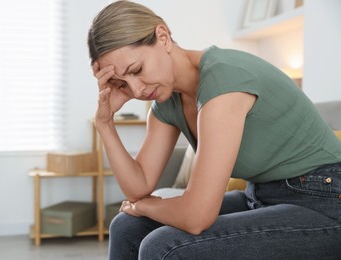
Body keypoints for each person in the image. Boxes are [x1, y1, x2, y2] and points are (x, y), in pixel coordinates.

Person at [87, 1, 341, 259]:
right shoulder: (167, 101)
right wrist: (105, 123)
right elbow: (138, 186)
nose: (137, 89)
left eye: (137, 70)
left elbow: (196, 216)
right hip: (262, 196)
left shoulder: (224, 81)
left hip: (325, 200)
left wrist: (150, 206)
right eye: (122, 84)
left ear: (162, 37)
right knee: (127, 226)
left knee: (163, 247)